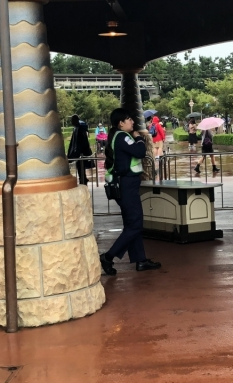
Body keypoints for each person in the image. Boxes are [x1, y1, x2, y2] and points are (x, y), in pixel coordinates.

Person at [99, 108, 162, 275]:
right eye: (129, 119)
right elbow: (140, 152)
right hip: (126, 185)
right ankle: (108, 256)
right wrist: (139, 138)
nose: (132, 122)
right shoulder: (122, 137)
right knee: (135, 224)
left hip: (127, 184)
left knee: (132, 224)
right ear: (121, 123)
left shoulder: (119, 136)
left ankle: (140, 260)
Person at [67, 114, 93, 185]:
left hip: (80, 151)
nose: (71, 122)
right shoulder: (77, 128)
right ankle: (83, 177)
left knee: (81, 165)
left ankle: (83, 178)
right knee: (80, 166)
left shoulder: (79, 129)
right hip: (80, 151)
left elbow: (80, 141)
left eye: (72, 120)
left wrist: (76, 151)